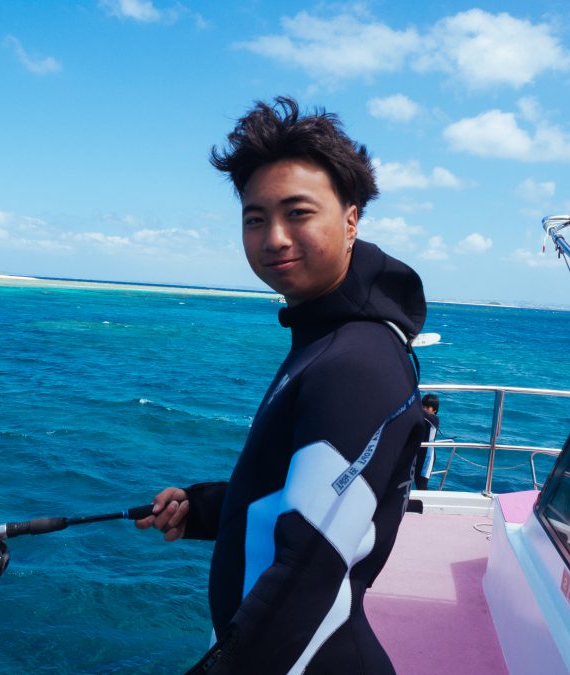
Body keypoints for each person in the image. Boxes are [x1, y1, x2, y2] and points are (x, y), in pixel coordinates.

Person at [135, 97, 427, 674]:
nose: (273, 238)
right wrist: (204, 508)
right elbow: (299, 494)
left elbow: (307, 572)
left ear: (351, 220)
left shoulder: (355, 363)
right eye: (254, 218)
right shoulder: (322, 336)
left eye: (298, 213)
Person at [415, 394, 440, 490]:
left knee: (422, 484)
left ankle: (424, 499)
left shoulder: (434, 419)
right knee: (416, 479)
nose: (424, 409)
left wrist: (414, 406)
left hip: (427, 456)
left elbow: (425, 415)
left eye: (428, 407)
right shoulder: (421, 418)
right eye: (423, 406)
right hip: (418, 453)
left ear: (434, 410)